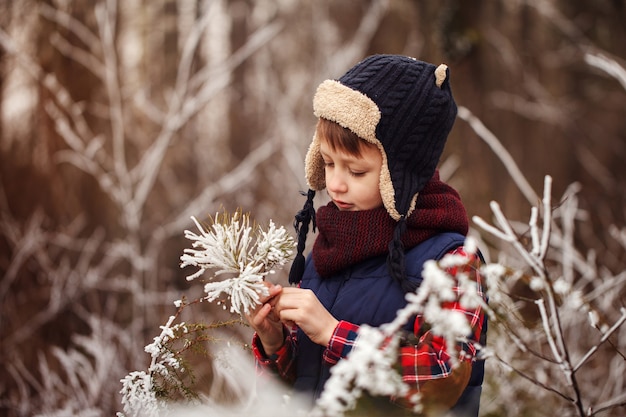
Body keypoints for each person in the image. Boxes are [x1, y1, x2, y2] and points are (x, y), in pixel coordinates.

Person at [245, 54, 487, 416]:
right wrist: (274, 339)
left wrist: (334, 333)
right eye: (327, 163)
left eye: (356, 171)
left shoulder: (452, 261)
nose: (336, 185)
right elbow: (307, 383)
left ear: (400, 175)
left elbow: (444, 375)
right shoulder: (331, 247)